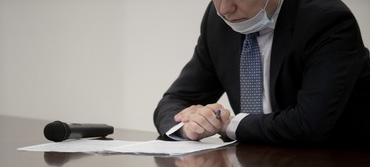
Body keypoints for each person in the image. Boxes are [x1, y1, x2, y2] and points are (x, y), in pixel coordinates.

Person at [153, 0, 370, 149]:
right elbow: (174, 100)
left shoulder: (327, 21)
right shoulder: (217, 19)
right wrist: (190, 126)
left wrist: (228, 125)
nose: (224, 9)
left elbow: (309, 124)